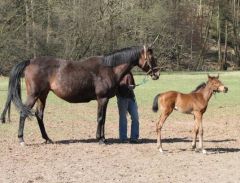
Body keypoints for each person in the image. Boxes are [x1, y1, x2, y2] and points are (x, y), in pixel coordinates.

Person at [116, 72, 139, 143]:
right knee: (123, 118)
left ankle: (134, 138)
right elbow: (115, 86)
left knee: (135, 117)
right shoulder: (118, 73)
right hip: (122, 98)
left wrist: (133, 86)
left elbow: (133, 84)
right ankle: (123, 138)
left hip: (131, 98)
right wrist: (125, 87)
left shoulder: (130, 73)